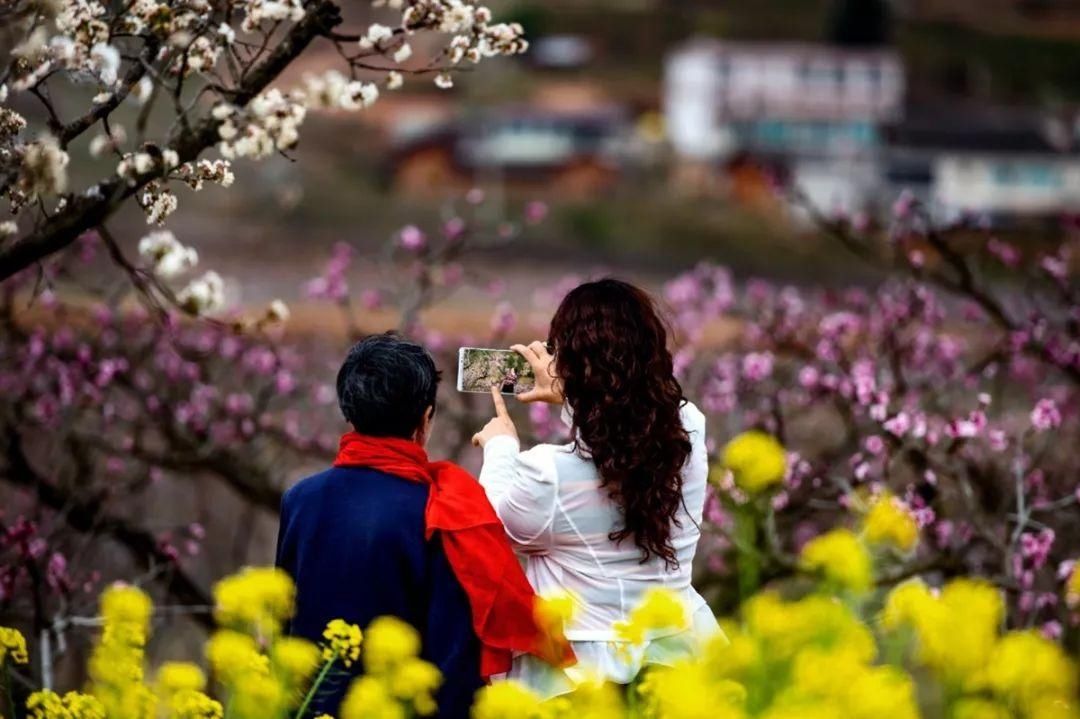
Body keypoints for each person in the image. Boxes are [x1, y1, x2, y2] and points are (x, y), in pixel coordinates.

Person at [276, 333, 567, 718]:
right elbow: (454, 657)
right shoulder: (441, 511)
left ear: (348, 412)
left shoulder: (299, 499)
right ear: (426, 417)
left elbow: (284, 620)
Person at [472, 278, 721, 698]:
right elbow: (624, 430)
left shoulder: (547, 475)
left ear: (568, 366)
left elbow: (495, 522)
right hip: (679, 651)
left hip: (580, 677)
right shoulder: (689, 431)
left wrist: (501, 445)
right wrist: (573, 396)